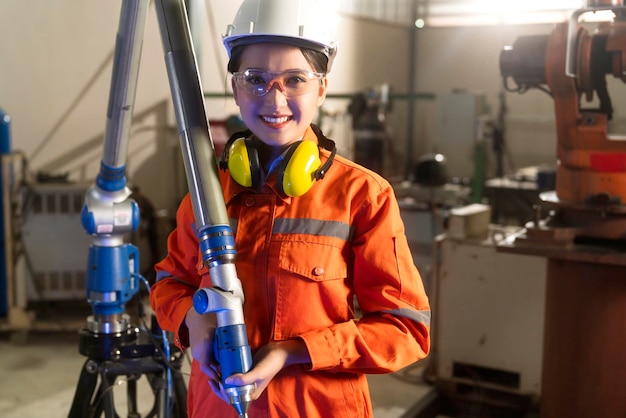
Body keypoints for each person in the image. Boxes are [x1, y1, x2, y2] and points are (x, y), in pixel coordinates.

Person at [149, 0, 431, 416]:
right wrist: (191, 317)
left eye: (294, 79)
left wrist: (292, 351)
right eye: (255, 79)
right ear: (235, 88)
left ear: (322, 87)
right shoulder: (207, 192)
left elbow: (405, 329)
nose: (274, 99)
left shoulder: (363, 196)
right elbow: (169, 283)